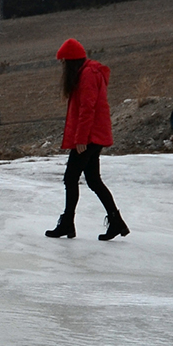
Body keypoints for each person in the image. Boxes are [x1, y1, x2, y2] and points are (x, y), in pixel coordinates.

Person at [45, 38, 129, 241]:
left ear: (71, 61)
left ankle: (67, 223)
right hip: (94, 135)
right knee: (93, 180)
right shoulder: (88, 72)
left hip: (90, 137)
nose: (63, 67)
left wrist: (81, 139)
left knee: (71, 178)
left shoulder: (88, 74)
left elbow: (87, 109)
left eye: (64, 62)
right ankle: (116, 222)